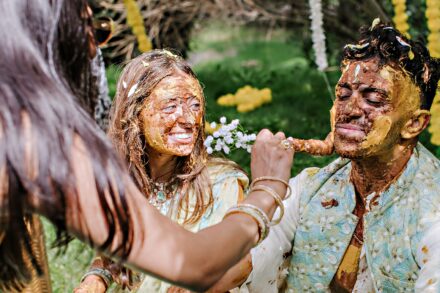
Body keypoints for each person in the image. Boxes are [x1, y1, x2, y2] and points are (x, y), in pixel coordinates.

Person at [0, 0, 294, 291]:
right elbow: (194, 262)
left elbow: (223, 265)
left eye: (194, 104)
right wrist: (268, 189)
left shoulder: (33, 144)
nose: (95, 50)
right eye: (90, 31)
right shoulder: (35, 146)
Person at [210, 22, 440, 292]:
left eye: (374, 99)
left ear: (414, 124)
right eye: (343, 95)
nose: (349, 109)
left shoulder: (433, 211)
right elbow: (242, 265)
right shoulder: (312, 189)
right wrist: (266, 189)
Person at [75, 50, 249, 292]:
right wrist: (95, 278)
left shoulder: (222, 181)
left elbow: (241, 265)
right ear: (135, 114)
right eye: (171, 106)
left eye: (195, 105)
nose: (189, 119)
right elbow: (113, 256)